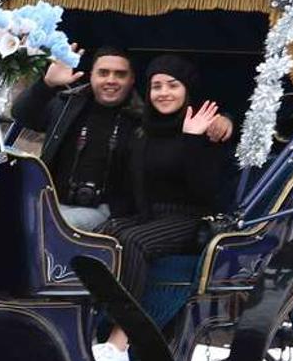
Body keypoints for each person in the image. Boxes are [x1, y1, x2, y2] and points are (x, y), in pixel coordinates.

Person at [91, 54, 234, 361]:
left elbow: (206, 191)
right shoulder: (143, 131)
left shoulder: (206, 128)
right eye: (156, 86)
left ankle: (119, 341)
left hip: (190, 219)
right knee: (102, 236)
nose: (164, 93)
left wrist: (191, 140)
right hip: (149, 215)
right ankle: (90, 324)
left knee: (132, 241)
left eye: (172, 85)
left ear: (187, 90)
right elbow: (129, 185)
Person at [12, 47, 234, 231]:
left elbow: (186, 116)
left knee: (46, 226)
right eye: (103, 73)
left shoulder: (145, 118)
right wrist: (47, 84)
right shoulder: (67, 104)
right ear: (91, 75)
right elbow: (22, 115)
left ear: (132, 80)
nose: (111, 80)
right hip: (52, 201)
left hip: (107, 210)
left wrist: (224, 119)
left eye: (120, 74)